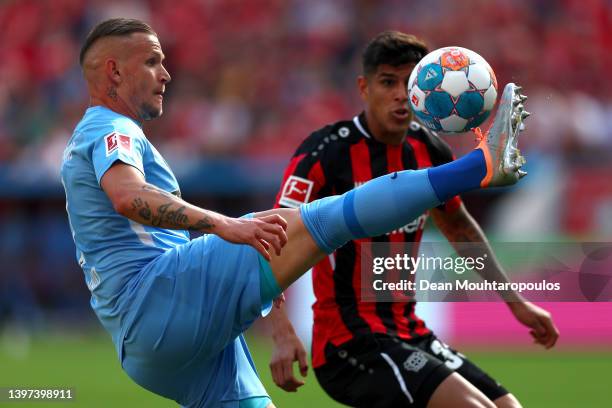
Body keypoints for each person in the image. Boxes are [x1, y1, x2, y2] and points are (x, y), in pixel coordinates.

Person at [61, 19, 530, 408]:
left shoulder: (108, 133)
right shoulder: (108, 127)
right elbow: (126, 195)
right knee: (316, 221)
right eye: (152, 61)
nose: (166, 74)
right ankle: (480, 165)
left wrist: (276, 324)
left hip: (152, 348)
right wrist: (223, 224)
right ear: (114, 72)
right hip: (155, 302)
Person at [267, 31, 559, 408]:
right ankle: (483, 163)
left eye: (410, 83)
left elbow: (459, 227)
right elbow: (272, 236)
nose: (401, 94)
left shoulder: (427, 147)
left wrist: (515, 301)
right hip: (349, 342)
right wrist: (280, 330)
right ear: (364, 87)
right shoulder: (326, 152)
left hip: (409, 331)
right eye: (388, 82)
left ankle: (484, 162)